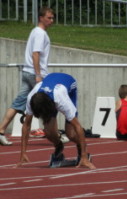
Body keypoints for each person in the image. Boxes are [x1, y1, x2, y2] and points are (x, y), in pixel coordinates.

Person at [17, 73, 96, 169]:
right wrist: (23, 153)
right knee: (48, 132)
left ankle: (81, 148)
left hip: (68, 86)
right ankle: (59, 146)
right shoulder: (31, 98)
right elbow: (26, 125)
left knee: (70, 134)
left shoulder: (61, 99)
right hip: (50, 87)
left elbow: (78, 126)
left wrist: (84, 157)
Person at [0, 7, 54, 146]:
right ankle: (53, 133)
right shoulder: (40, 34)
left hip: (26, 72)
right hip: (34, 74)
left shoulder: (34, 32)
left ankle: (1, 131)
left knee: (18, 103)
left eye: (52, 18)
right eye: (49, 17)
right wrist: (38, 75)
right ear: (41, 18)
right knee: (46, 103)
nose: (51, 20)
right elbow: (35, 54)